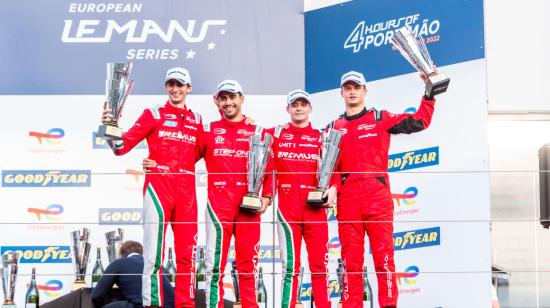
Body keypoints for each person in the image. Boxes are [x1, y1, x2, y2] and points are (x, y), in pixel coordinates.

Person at [143, 80, 273, 307]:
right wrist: (157, 161)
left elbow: (270, 167)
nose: (228, 102)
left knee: (248, 266)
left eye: (233, 97)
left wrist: (267, 197)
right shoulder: (208, 131)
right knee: (214, 267)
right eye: (223, 98)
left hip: (249, 208)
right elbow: (184, 155)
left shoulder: (258, 132)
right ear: (217, 101)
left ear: (242, 99)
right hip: (218, 206)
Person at [327, 71, 437, 308]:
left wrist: (430, 92)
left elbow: (419, 121)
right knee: (350, 263)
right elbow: (329, 167)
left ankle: (388, 305)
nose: (352, 91)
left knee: (384, 259)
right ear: (341, 93)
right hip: (348, 202)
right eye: (348, 88)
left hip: (377, 198)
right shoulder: (333, 128)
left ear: (365, 91)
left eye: (357, 87)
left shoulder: (380, 118)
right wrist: (334, 187)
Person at [102, 67, 203, 307]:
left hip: (187, 193)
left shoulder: (197, 120)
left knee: (187, 255)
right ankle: (152, 304)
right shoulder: (153, 113)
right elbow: (121, 147)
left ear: (189, 88)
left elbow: (204, 152)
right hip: (159, 189)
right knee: (154, 254)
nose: (175, 89)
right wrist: (110, 126)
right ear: (166, 86)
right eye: (171, 84)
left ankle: (185, 304)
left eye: (181, 84)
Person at [265, 89, 335, 308]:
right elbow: (251, 136)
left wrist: (333, 187)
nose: (298, 108)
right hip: (288, 210)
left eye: (303, 104)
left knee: (319, 267)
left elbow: (334, 168)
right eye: (294, 104)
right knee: (290, 267)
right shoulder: (275, 134)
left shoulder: (322, 137)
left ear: (310, 109)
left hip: (315, 209)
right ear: (288, 109)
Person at [91, 241, 175, 308]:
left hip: (142, 305)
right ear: (141, 253)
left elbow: (96, 295)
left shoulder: (119, 263)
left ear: (121, 255)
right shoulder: (156, 264)